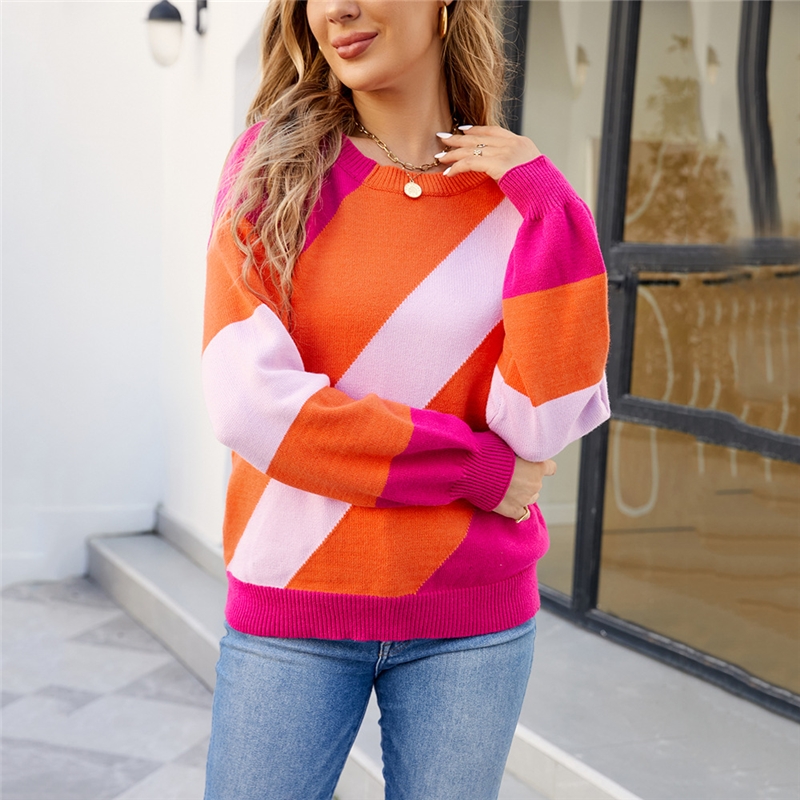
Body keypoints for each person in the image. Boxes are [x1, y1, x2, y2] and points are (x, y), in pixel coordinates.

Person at [201, 0, 610, 798]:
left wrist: (551, 206)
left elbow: (540, 424)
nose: (338, 10)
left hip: (473, 616)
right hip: (296, 601)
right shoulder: (272, 173)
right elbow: (250, 405)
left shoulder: (515, 199)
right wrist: (471, 468)